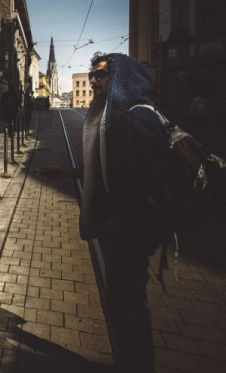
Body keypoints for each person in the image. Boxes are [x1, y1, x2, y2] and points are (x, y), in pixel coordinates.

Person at [40, 53, 168, 372]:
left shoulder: (138, 116)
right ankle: (129, 360)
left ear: (121, 78)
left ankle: (137, 365)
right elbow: (108, 169)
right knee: (121, 303)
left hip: (132, 231)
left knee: (129, 306)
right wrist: (66, 172)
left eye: (102, 75)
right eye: (91, 74)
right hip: (119, 228)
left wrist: (120, 216)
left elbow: (151, 178)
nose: (93, 80)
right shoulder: (115, 116)